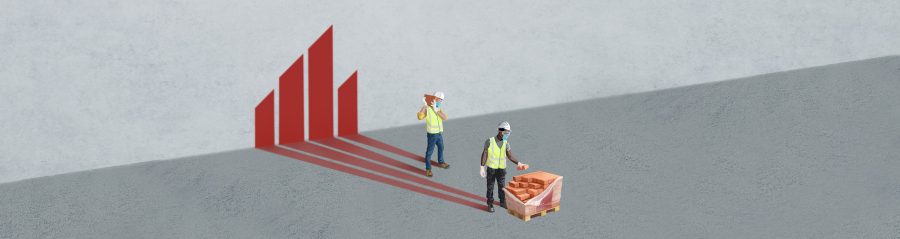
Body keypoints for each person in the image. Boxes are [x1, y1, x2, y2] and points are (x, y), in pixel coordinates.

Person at [480, 121, 528, 212]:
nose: (507, 134)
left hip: (501, 169)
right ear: (500, 131)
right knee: (490, 187)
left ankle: (502, 202)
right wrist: (482, 166)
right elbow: (485, 154)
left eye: (508, 133)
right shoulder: (489, 141)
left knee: (502, 187)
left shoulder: (506, 143)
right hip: (491, 169)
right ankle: (490, 204)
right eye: (506, 132)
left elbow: (510, 155)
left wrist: (519, 163)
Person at [417, 91, 449, 177]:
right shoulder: (427, 109)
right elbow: (420, 117)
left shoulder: (438, 108)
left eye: (442, 100)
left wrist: (436, 110)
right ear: (435, 98)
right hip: (432, 135)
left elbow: (445, 117)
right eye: (440, 99)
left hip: (439, 134)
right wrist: (424, 106)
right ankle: (428, 169)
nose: (440, 101)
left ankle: (441, 162)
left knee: (441, 147)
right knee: (429, 152)